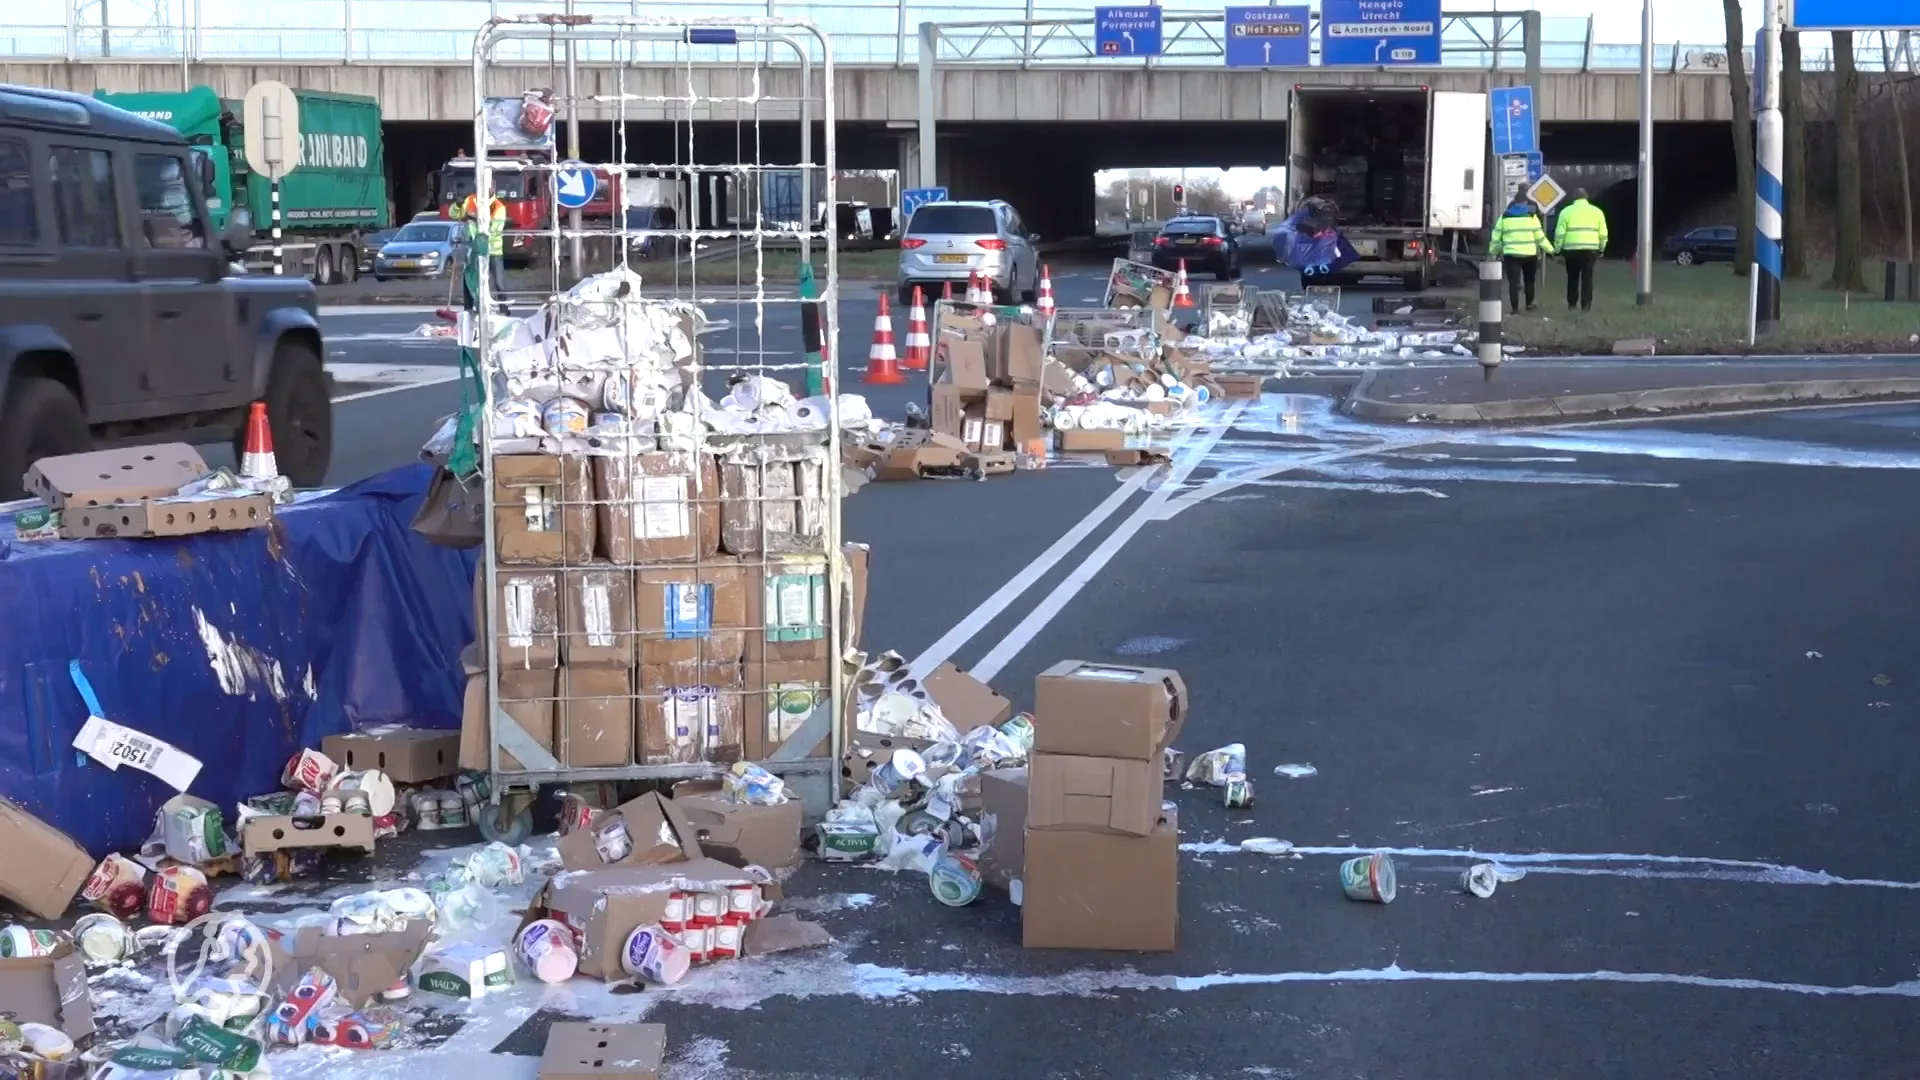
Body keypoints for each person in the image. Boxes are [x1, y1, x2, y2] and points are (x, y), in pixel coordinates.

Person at [1488, 194, 1553, 311]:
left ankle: (1515, 308)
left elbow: (1496, 238)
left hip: (1511, 255)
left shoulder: (1504, 217)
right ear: (1524, 204)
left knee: (1513, 283)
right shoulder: (1532, 217)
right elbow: (1540, 237)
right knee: (1529, 280)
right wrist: (1551, 250)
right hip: (1530, 254)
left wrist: (1494, 251)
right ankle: (1529, 304)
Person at [450, 190, 509, 315]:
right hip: (472, 249)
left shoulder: (498, 206)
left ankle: (504, 308)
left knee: (499, 282)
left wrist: (472, 218)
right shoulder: (470, 200)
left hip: (493, 250)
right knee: (470, 279)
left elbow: (494, 229)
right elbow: (453, 214)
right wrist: (458, 205)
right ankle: (469, 309)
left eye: (490, 186)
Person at [1553, 188, 1609, 311]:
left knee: (1572, 278)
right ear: (1587, 197)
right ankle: (1586, 306)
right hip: (1590, 250)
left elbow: (1559, 234)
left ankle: (1572, 304)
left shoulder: (1566, 212)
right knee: (1587, 278)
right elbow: (1603, 233)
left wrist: (1557, 250)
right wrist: (1601, 249)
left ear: (1574, 198)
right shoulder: (1597, 212)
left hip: (1571, 250)